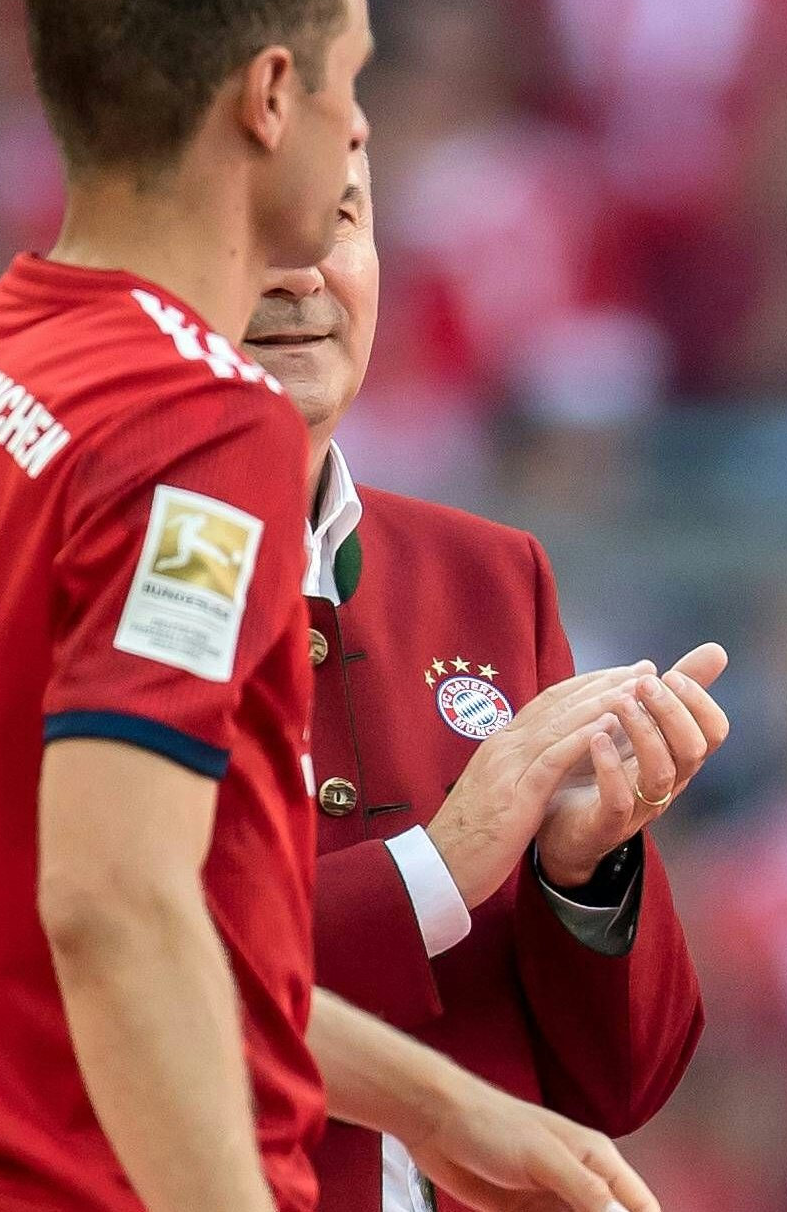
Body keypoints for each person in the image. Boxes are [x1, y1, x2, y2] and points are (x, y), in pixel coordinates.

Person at [0, 0, 656, 1211]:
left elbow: (88, 924)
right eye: (351, 75)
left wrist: (446, 1107)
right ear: (270, 98)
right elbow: (123, 911)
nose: (363, 120)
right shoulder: (192, 420)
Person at [240, 143, 721, 1212]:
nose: (305, 272)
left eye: (341, 222)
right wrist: (437, 867)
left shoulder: (492, 572)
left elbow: (627, 1078)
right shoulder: (89, 577)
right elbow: (127, 981)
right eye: (253, 230)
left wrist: (583, 871)